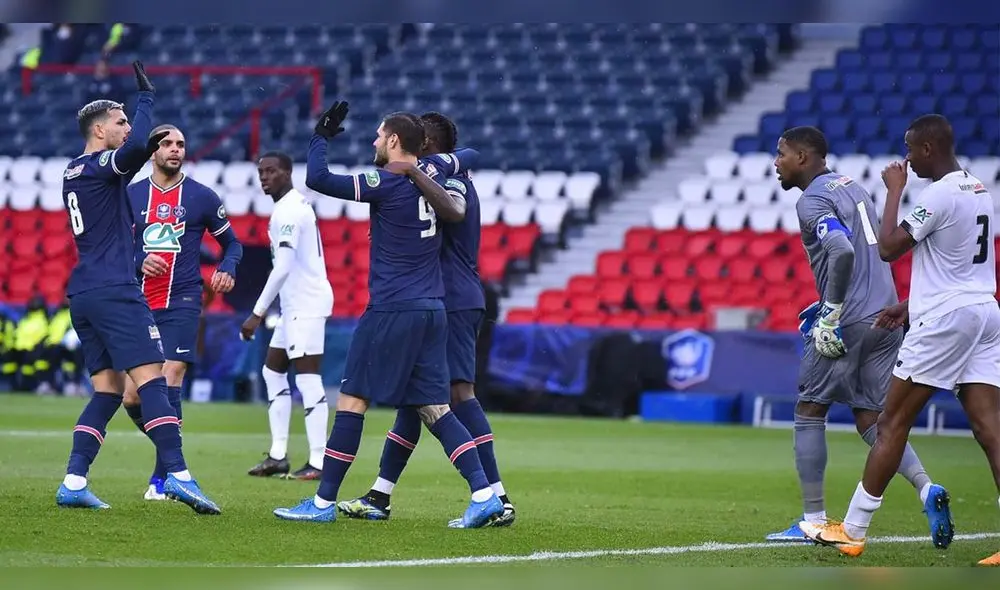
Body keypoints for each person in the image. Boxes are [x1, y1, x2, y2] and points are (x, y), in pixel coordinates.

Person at [272, 101, 504, 528]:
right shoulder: (437, 174)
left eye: (379, 136)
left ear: (394, 140)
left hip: (392, 307)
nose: (374, 142)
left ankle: (322, 502)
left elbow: (317, 178)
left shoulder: (385, 181)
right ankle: (485, 494)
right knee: (435, 408)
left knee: (352, 400)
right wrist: (423, 166)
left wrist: (320, 137)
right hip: (433, 309)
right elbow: (465, 159)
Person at [799, 115, 1000, 567]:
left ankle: (853, 529)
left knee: (890, 424)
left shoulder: (939, 194)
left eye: (910, 148)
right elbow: (960, 267)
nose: (906, 158)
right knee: (991, 429)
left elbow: (888, 247)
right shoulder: (977, 189)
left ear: (928, 148)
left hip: (945, 323)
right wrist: (910, 305)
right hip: (984, 313)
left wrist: (894, 190)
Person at [766, 126, 946, 545]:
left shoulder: (812, 199)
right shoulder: (853, 187)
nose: (776, 163)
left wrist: (830, 311)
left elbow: (842, 249)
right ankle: (926, 487)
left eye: (782, 154)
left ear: (803, 158)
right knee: (873, 420)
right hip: (887, 317)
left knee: (810, 410)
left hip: (848, 320)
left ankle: (813, 521)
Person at [55, 61, 219, 514]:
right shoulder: (101, 165)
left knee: (108, 391)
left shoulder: (72, 171)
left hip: (84, 293)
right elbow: (137, 147)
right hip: (115, 289)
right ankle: (178, 476)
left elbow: (133, 156)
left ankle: (73, 480)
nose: (128, 128)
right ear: (99, 130)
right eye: (120, 122)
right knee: (153, 381)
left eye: (129, 121)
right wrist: (146, 99)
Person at [336, 111, 515, 526]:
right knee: (416, 399)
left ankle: (496, 495)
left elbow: (455, 200)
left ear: (427, 147)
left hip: (448, 298)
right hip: (446, 297)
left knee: (458, 395)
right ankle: (380, 495)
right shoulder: (438, 177)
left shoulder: (448, 182)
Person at [122, 124, 243, 501]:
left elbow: (233, 244)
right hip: (140, 303)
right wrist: (139, 261)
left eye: (180, 144)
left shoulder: (201, 197)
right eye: (167, 144)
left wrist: (228, 267)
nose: (175, 149)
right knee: (132, 398)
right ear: (152, 151)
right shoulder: (130, 195)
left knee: (170, 375)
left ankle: (162, 480)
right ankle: (175, 456)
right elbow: (114, 248)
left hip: (184, 299)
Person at [240, 151, 332, 482]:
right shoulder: (289, 207)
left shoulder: (290, 210)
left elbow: (282, 268)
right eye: (261, 172)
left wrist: (256, 313)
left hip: (306, 304)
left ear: (288, 173)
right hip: (295, 305)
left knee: (308, 379)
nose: (265, 177)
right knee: (272, 371)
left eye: (272, 171)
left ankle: (319, 460)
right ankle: (278, 455)